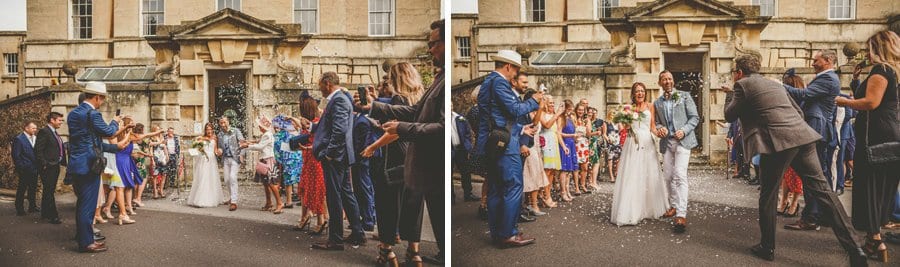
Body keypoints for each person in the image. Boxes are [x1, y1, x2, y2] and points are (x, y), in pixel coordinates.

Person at [725, 54, 867, 265]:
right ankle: (855, 248)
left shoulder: (742, 84)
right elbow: (798, 110)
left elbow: (729, 115)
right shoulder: (774, 85)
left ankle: (767, 247)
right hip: (803, 136)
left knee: (768, 194)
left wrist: (729, 94)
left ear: (739, 73)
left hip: (777, 143)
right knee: (823, 191)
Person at [355, 20, 446, 263]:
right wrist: (373, 106)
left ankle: (388, 252)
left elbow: (436, 127)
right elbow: (415, 113)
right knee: (413, 210)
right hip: (417, 161)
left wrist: (375, 144)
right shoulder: (432, 84)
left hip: (404, 160)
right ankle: (413, 253)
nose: (430, 49)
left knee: (388, 207)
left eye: (434, 44)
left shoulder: (440, 83)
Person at [836, 30, 900, 263]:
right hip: (890, 132)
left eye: (869, 48)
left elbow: (871, 102)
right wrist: (856, 81)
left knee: (870, 187)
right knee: (883, 188)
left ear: (877, 48)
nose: (866, 53)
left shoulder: (880, 70)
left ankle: (875, 240)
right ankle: (876, 236)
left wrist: (845, 101)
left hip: (874, 136)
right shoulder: (894, 72)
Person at [473, 49, 541, 248]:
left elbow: (496, 118)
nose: (515, 74)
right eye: (516, 70)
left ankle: (497, 232)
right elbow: (515, 110)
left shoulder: (487, 82)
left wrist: (521, 127)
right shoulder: (500, 82)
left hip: (492, 141)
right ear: (509, 67)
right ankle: (508, 234)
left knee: (495, 188)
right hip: (505, 143)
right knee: (513, 186)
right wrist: (534, 101)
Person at [299, 71, 366, 251]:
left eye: (320, 84)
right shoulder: (340, 99)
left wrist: (329, 153)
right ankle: (358, 233)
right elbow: (328, 126)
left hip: (336, 157)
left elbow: (339, 130)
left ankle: (335, 239)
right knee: (345, 193)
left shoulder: (338, 100)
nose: (319, 88)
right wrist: (311, 126)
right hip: (341, 156)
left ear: (328, 83)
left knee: (334, 196)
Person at [782, 50, 841, 231]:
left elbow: (804, 95)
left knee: (813, 175)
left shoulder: (829, 78)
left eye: (816, 60)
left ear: (828, 60)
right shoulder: (826, 78)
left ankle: (811, 218)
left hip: (817, 129)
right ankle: (824, 216)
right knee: (818, 175)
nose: (812, 63)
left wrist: (779, 85)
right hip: (818, 129)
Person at [66, 82, 122, 253]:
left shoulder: (73, 114)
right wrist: (115, 121)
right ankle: (86, 243)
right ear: (97, 97)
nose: (101, 102)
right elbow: (108, 132)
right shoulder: (92, 113)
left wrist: (114, 148)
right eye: (102, 99)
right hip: (89, 165)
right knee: (87, 206)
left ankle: (84, 236)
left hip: (76, 163)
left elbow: (89, 141)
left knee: (83, 203)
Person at [610, 82, 669, 226]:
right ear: (633, 93)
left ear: (645, 93)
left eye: (642, 91)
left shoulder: (650, 106)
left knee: (649, 174)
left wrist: (660, 133)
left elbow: (652, 127)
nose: (640, 93)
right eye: (637, 91)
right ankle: (631, 211)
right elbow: (624, 127)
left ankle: (648, 209)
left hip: (647, 143)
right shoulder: (628, 109)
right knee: (633, 175)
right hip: (633, 142)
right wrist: (626, 122)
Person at [653, 70, 700, 233]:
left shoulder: (685, 96)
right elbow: (657, 122)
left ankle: (681, 214)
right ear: (660, 83)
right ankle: (673, 205)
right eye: (664, 79)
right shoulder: (657, 102)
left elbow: (694, 118)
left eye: (670, 78)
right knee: (667, 177)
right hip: (667, 143)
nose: (667, 81)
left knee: (680, 175)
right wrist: (660, 129)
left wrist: (684, 130)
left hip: (683, 141)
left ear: (673, 81)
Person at [777, 73, 807, 217]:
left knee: (796, 174)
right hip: (785, 139)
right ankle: (784, 200)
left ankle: (794, 202)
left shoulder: (802, 101)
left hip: (798, 139)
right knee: (786, 173)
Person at [245, 116, 283, 214]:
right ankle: (269, 203)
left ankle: (279, 203)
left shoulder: (267, 135)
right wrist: (251, 142)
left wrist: (247, 146)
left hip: (268, 160)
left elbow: (261, 146)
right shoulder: (266, 134)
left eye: (260, 126)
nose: (259, 127)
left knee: (271, 183)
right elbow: (260, 142)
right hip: (265, 160)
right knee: (266, 183)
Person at [34, 112, 67, 224]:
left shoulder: (54, 133)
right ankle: (53, 216)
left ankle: (45, 213)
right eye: (59, 120)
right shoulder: (44, 132)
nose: (61, 123)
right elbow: (38, 150)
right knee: (49, 191)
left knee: (49, 190)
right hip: (48, 167)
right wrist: (45, 164)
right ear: (52, 120)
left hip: (55, 165)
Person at [187, 123, 224, 208]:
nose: (209, 131)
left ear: (212, 129)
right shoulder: (201, 138)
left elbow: (215, 151)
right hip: (203, 159)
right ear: (205, 130)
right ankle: (199, 199)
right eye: (207, 129)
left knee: (211, 178)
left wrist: (219, 152)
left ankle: (210, 198)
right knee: (202, 177)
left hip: (211, 160)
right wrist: (197, 145)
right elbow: (195, 145)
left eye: (210, 129)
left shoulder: (215, 138)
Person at [351, 109, 375, 231]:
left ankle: (368, 219)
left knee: (364, 190)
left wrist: (356, 158)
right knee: (360, 190)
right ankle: (365, 217)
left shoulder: (363, 121)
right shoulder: (360, 118)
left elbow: (362, 143)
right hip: (359, 160)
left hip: (361, 161)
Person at [216, 116, 246, 211]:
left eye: (224, 122)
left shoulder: (236, 131)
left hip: (235, 158)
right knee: (227, 180)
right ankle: (231, 197)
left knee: (233, 177)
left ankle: (234, 201)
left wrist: (242, 154)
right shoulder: (220, 135)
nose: (223, 125)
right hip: (225, 159)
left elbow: (242, 143)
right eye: (221, 123)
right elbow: (220, 147)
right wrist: (219, 151)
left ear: (228, 122)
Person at [272, 115, 302, 209]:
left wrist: (279, 158)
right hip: (299, 157)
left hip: (288, 158)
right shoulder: (296, 132)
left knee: (288, 181)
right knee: (300, 178)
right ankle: (302, 199)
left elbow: (275, 145)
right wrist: (292, 118)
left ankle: (289, 201)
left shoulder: (281, 134)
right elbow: (301, 125)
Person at [538, 94, 562, 208]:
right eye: (550, 102)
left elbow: (557, 131)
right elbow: (547, 125)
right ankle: (545, 196)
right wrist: (557, 114)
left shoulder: (553, 114)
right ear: (545, 103)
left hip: (553, 143)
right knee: (546, 172)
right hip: (546, 144)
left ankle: (547, 195)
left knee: (552, 171)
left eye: (553, 102)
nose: (552, 104)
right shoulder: (542, 113)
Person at [12, 122, 39, 216]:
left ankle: (32, 206)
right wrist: (21, 167)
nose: (35, 130)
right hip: (25, 169)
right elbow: (16, 155)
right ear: (26, 128)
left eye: (35, 128)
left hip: (35, 168)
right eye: (33, 128)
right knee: (22, 189)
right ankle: (19, 208)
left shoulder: (35, 138)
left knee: (33, 188)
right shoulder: (19, 139)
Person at [451, 110, 477, 202]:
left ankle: (468, 194)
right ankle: (450, 197)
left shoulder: (459, 118)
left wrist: (468, 146)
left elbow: (467, 133)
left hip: (461, 149)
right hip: (449, 149)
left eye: (450, 105)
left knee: (465, 172)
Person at [558, 100, 578, 202]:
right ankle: (563, 192)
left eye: (571, 109)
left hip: (571, 144)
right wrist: (571, 136)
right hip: (564, 144)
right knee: (564, 170)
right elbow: (559, 133)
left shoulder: (570, 117)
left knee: (569, 171)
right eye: (569, 109)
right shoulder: (561, 118)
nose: (570, 111)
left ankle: (568, 190)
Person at [603, 112, 621, 182]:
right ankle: (611, 176)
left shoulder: (617, 123)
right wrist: (608, 139)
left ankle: (616, 173)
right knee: (610, 159)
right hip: (610, 143)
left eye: (615, 114)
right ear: (609, 114)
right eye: (612, 113)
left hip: (617, 143)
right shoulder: (606, 123)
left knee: (617, 159)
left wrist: (620, 122)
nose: (613, 115)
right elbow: (604, 134)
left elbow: (621, 131)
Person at [162, 128, 181, 192]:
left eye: (172, 132)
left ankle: (172, 184)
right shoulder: (164, 137)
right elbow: (162, 145)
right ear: (167, 132)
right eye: (169, 131)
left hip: (174, 155)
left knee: (174, 169)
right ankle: (165, 184)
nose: (171, 133)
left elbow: (178, 146)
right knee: (166, 170)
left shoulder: (175, 138)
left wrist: (178, 155)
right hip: (167, 155)